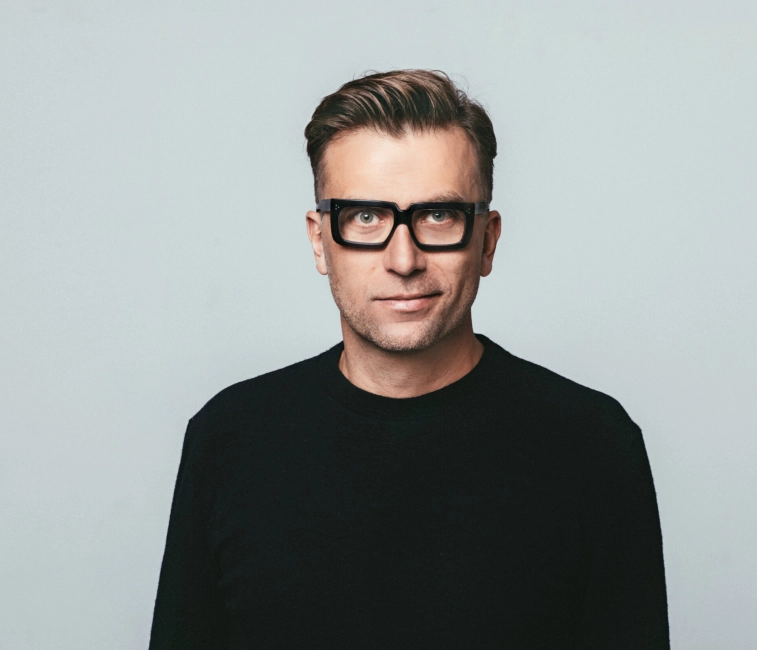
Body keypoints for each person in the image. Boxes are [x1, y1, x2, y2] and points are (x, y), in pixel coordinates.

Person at [149, 69, 670, 649]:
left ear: (487, 240)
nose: (404, 259)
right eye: (365, 217)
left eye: (439, 216)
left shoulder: (592, 445)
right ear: (320, 241)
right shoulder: (230, 438)